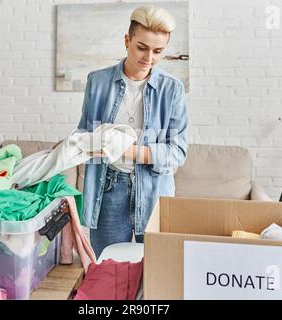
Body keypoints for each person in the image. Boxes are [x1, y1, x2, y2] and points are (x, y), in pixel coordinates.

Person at [77, 5, 188, 258]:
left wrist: (129, 151)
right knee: (107, 271)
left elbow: (178, 151)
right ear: (127, 41)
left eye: (158, 51)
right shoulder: (98, 81)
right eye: (142, 47)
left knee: (156, 271)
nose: (149, 57)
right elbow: (83, 134)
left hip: (154, 190)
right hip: (108, 190)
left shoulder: (172, 90)